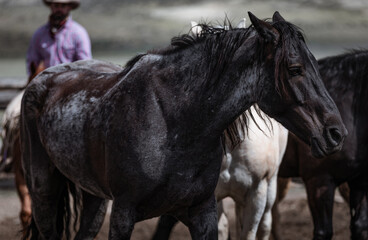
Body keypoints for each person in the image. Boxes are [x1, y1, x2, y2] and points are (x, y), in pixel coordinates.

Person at [26, 0, 91, 78]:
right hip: (46, 83)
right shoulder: (39, 34)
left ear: (69, 7)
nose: (59, 9)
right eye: (56, 5)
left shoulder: (78, 33)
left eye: (63, 6)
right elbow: (32, 63)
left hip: (71, 83)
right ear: (51, 6)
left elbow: (86, 65)